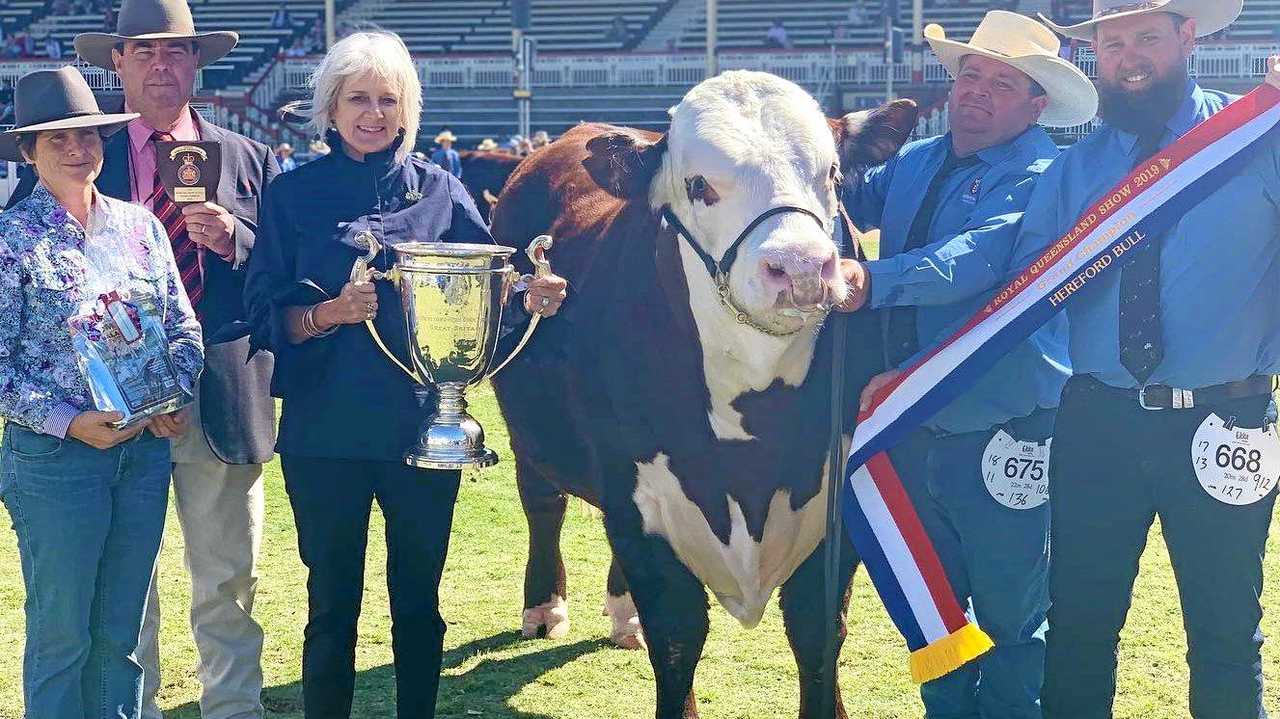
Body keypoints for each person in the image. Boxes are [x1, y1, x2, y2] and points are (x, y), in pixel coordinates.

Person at [243, 31, 568, 718]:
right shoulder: (292, 194)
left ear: (408, 108)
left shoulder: (444, 192)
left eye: (388, 99)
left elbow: (493, 296)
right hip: (323, 436)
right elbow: (263, 314)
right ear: (330, 106)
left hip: (424, 432)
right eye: (358, 97)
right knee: (331, 605)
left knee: (420, 604)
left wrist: (529, 298)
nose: (374, 113)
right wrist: (329, 312)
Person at [4, 1, 282, 716]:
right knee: (126, 591)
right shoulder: (53, 193)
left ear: (197, 63)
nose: (161, 63)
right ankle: (140, 707)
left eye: (176, 50)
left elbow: (280, 277)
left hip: (215, 396)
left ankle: (234, 706)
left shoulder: (249, 159)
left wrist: (237, 242)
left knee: (227, 576)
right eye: (143, 50)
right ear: (117, 63)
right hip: (93, 426)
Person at [1021, 1, 1280, 716]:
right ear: (1093, 56)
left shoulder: (1257, 136)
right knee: (1078, 625)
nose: (1128, 58)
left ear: (1187, 38)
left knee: (1226, 631)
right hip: (1098, 420)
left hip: (1227, 416)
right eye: (1111, 44)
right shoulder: (1077, 168)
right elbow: (1013, 277)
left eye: (1146, 38)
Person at [837, 11, 1097, 718]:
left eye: (1002, 83)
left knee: (1012, 612)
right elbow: (843, 193)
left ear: (1037, 104)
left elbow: (977, 260)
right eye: (971, 75)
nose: (976, 92)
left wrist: (871, 281)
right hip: (908, 421)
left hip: (1004, 423)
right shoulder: (916, 160)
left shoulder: (1047, 174)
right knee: (935, 609)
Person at [0, 65, 203, 719]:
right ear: (28, 152)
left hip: (140, 453)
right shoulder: (11, 242)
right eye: (56, 139)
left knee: (122, 635)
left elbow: (181, 324)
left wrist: (173, 393)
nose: (77, 149)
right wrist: (68, 420)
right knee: (63, 636)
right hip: (57, 463)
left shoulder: (140, 228)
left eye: (87, 135)